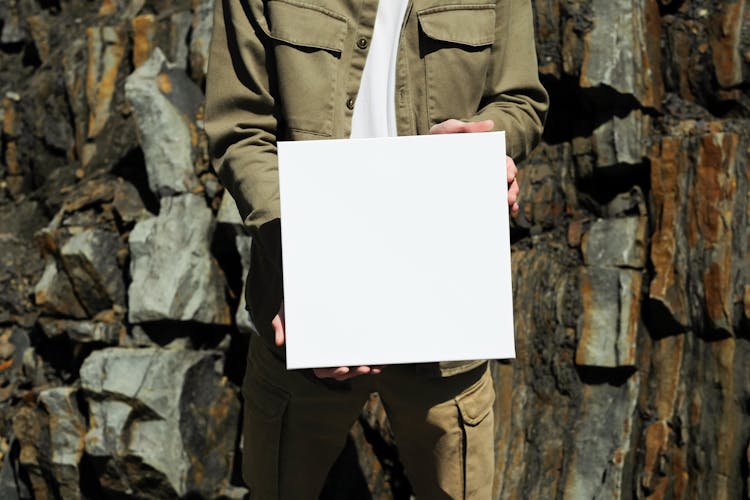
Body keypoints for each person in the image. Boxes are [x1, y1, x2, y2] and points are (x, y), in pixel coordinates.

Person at [205, 0, 548, 498]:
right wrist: (306, 264)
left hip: (446, 305)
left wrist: (487, 142)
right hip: (303, 300)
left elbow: (520, 100)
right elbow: (239, 130)